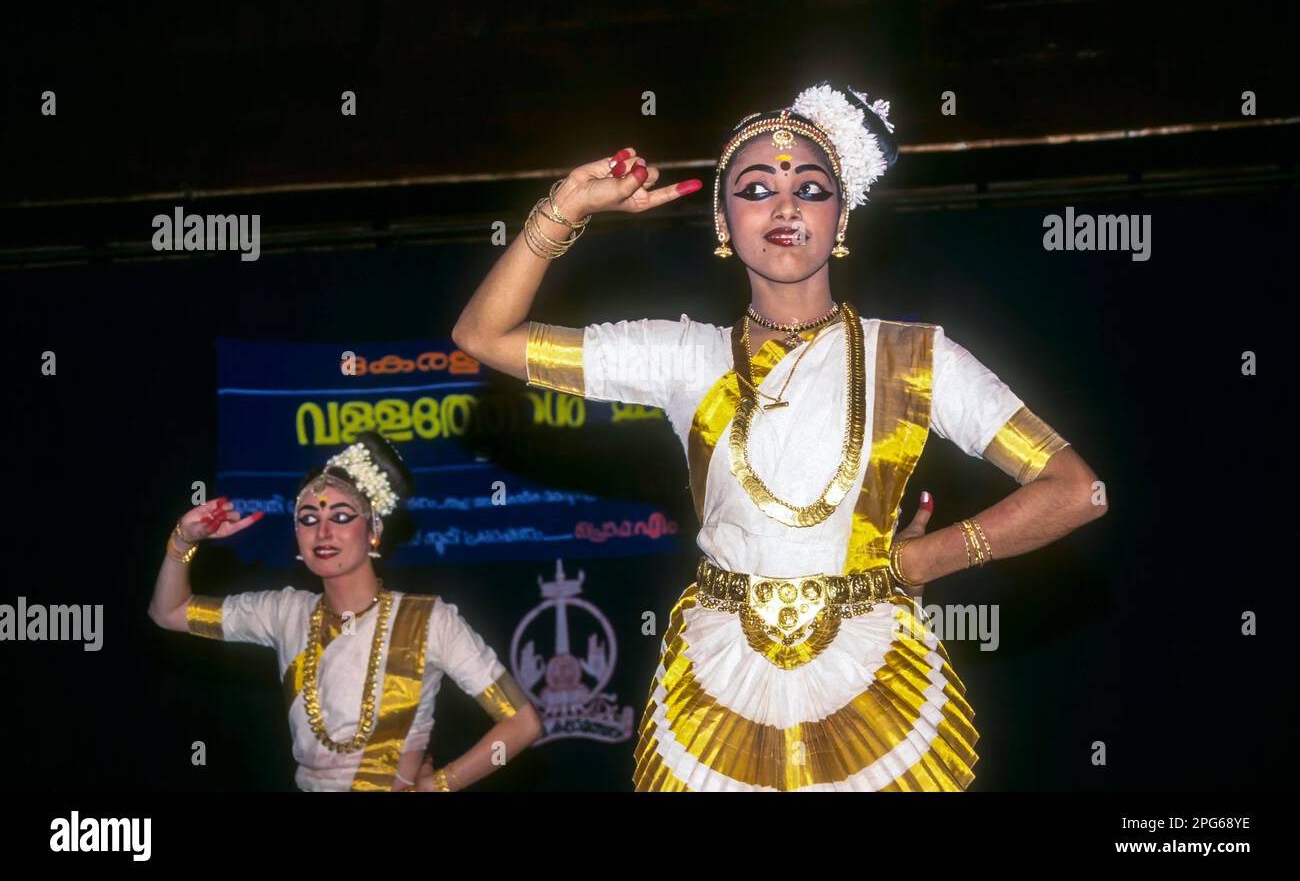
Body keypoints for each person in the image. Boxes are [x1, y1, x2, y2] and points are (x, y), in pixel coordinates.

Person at [452, 81, 1107, 791]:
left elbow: (1077, 490)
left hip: (871, 673)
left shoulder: (915, 357)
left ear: (842, 216)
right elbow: (483, 335)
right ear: (723, 223)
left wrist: (926, 562)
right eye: (757, 187)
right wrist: (564, 208)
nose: (786, 205)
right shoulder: (684, 355)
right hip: (720, 683)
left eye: (812, 187)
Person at [148, 431, 541, 791]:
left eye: (340, 517)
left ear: (373, 531)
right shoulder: (284, 612)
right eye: (308, 519)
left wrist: (436, 786)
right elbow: (169, 613)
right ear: (297, 538)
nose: (323, 533)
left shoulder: (427, 620)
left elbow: (522, 723)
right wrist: (183, 541)